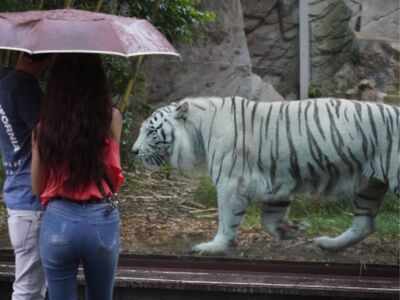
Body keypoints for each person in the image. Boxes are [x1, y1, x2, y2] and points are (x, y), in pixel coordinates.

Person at [31, 53, 123, 300]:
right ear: (97, 79)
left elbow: (38, 188)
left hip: (58, 221)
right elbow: (114, 179)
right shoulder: (111, 118)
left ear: (56, 83)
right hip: (101, 219)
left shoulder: (45, 127)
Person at [0, 53, 52, 300]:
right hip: (31, 200)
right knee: (28, 291)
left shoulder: (4, 84)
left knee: (31, 288)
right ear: (41, 60)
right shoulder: (25, 87)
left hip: (16, 196)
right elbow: (45, 138)